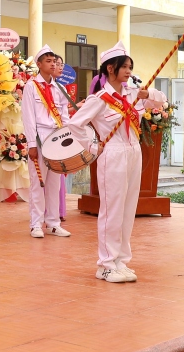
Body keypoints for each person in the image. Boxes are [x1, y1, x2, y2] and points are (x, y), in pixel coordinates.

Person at [68, 42, 167, 283]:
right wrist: (93, 146)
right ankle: (105, 264)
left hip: (134, 151)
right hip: (112, 153)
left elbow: (161, 101)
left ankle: (121, 261)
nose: (129, 72)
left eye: (131, 67)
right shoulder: (100, 98)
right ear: (110, 68)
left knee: (127, 208)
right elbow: (74, 124)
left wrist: (147, 94)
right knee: (112, 209)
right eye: (125, 67)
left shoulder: (133, 94)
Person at [22, 45, 73, 239]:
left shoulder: (59, 86)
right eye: (48, 61)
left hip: (58, 136)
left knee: (55, 183)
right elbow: (28, 116)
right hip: (40, 135)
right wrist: (31, 144)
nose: (53, 64)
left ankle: (53, 223)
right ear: (39, 64)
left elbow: (64, 114)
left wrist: (69, 140)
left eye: (54, 61)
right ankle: (35, 224)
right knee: (38, 183)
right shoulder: (31, 86)